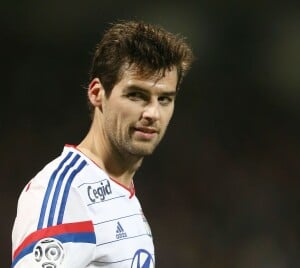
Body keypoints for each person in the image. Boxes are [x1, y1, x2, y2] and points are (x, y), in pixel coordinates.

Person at [11, 20, 194, 268]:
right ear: (97, 93)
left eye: (164, 99)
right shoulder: (65, 192)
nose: (153, 113)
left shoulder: (120, 190)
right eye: (136, 95)